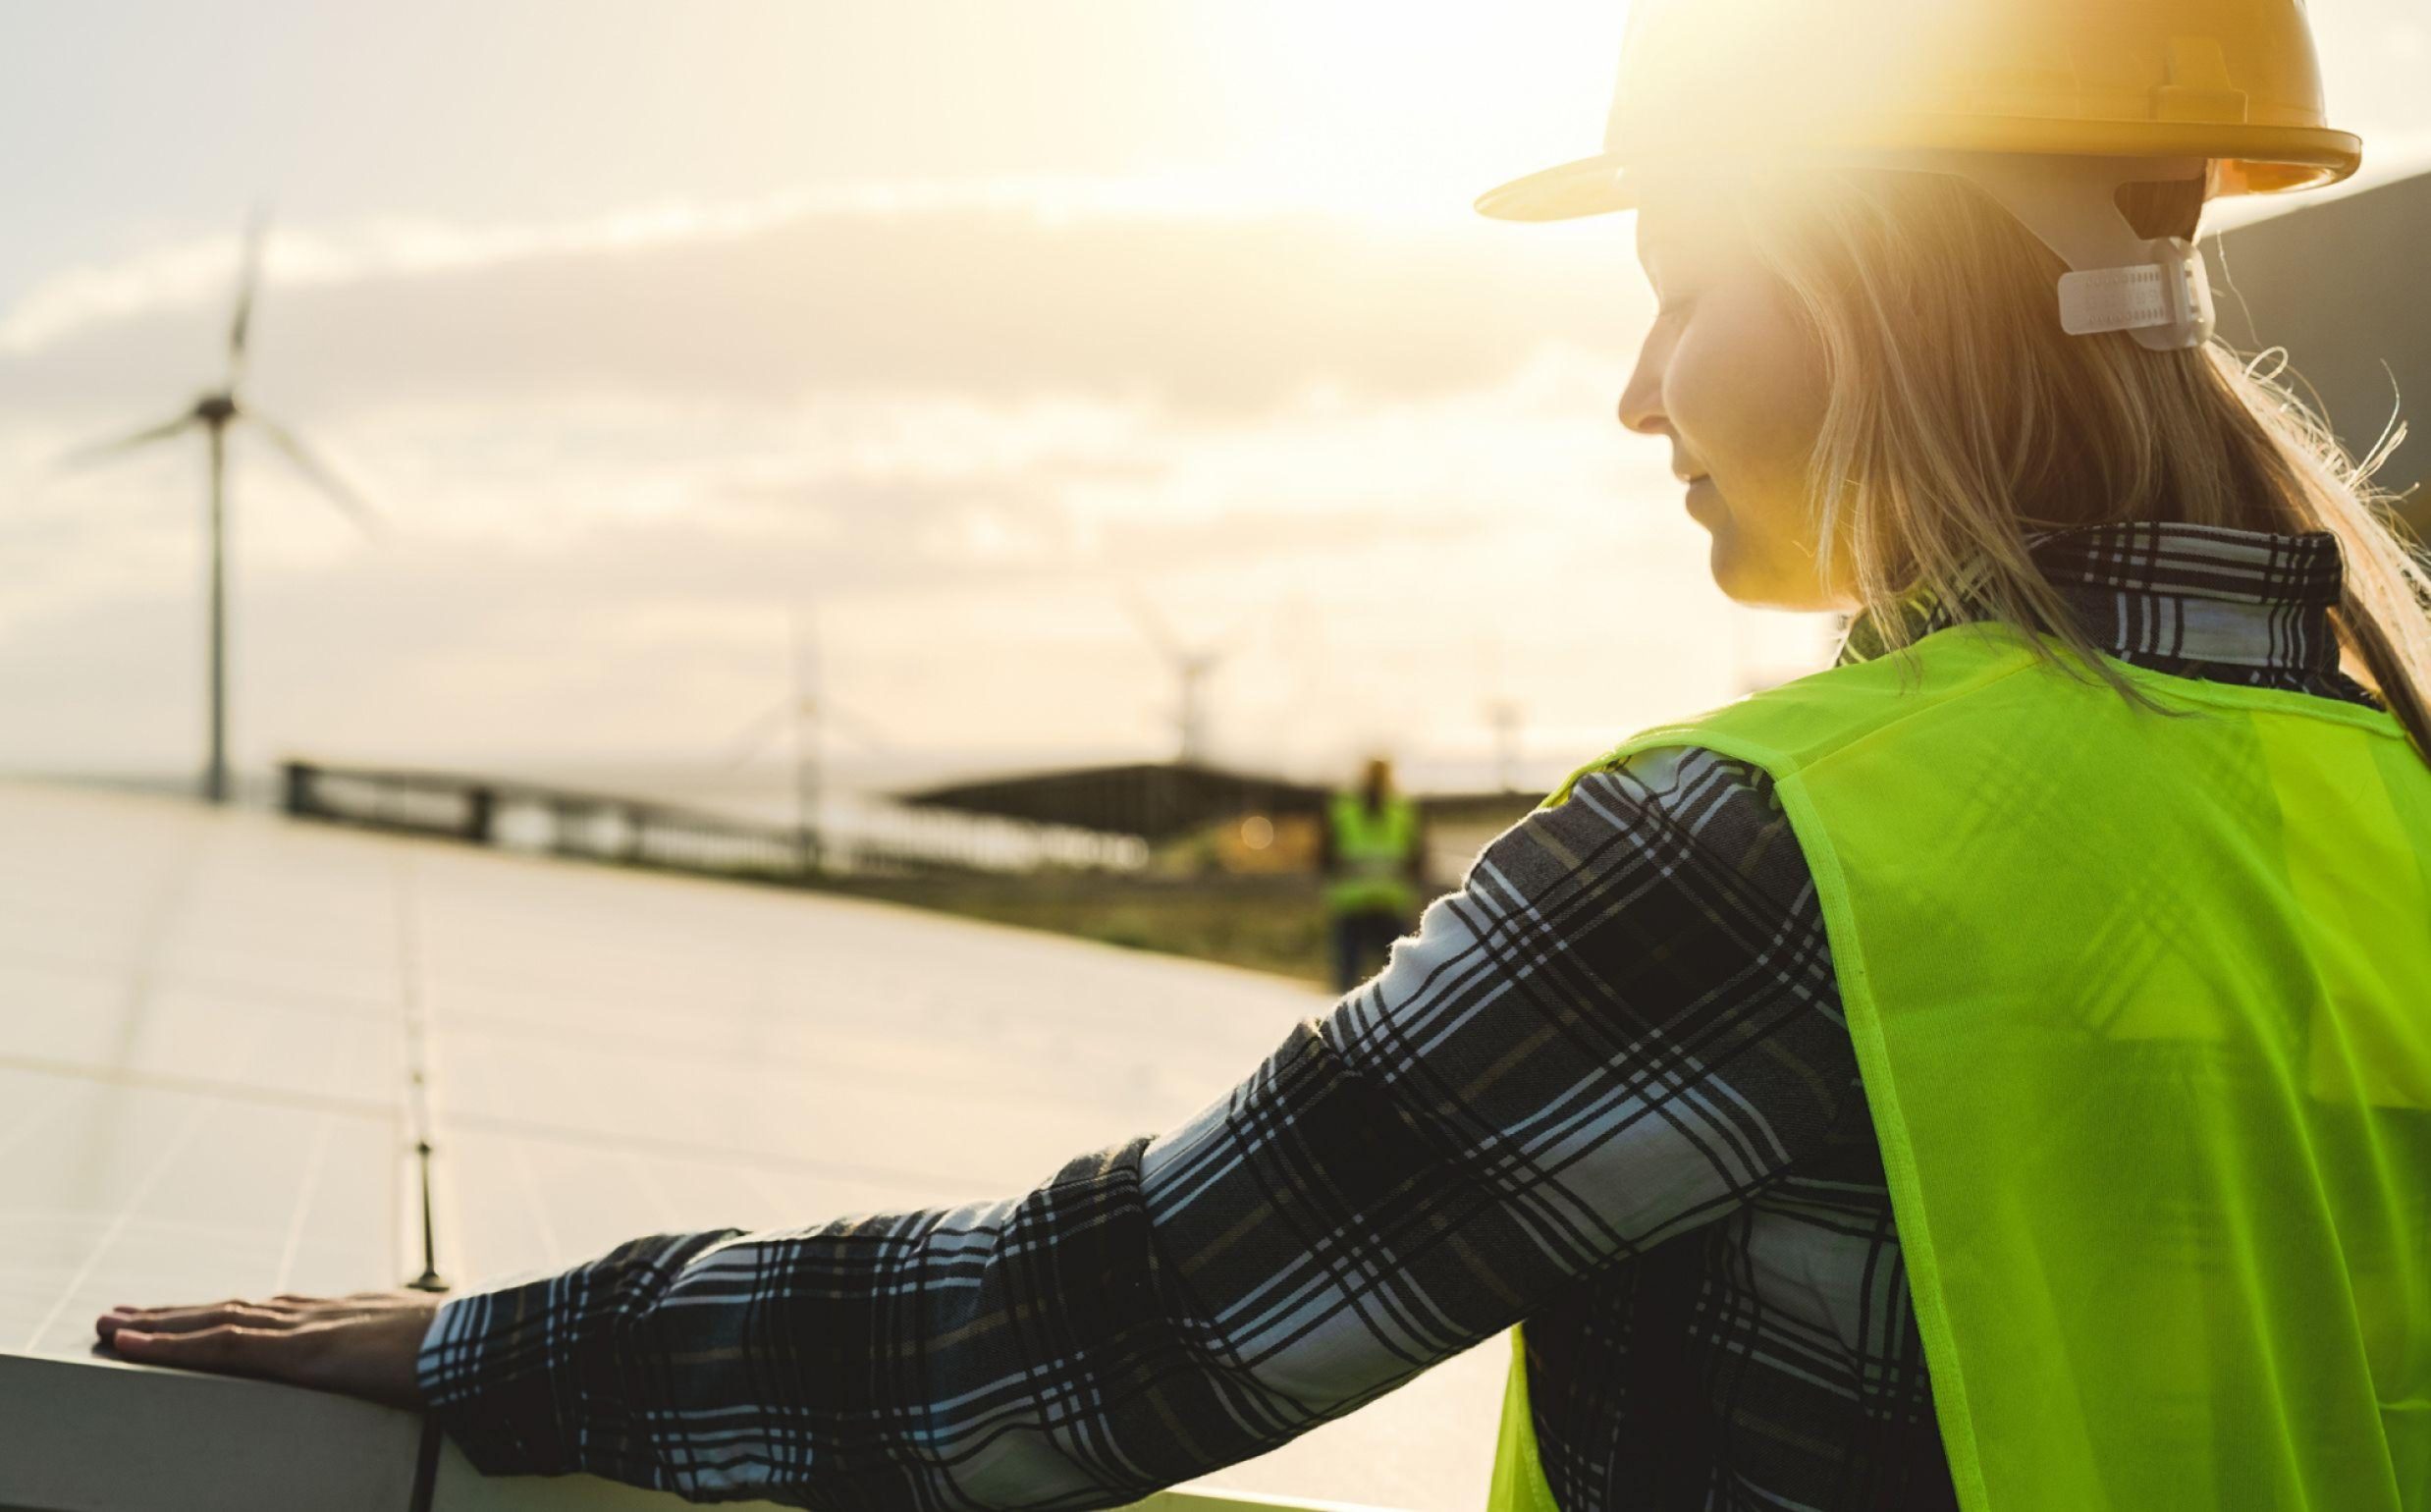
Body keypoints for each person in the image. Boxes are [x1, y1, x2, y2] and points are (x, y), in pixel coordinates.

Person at [98, 1, 2431, 1507]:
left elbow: (1100, 1329)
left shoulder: (1763, 861)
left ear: (1875, 276)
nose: (1634, 391)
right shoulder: (2374, 788)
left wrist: (498, 1336)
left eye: (1678, 284)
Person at [1320, 753, 1427, 992]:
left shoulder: (1343, 809)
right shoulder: (1402, 810)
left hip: (1355, 901)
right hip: (1384, 902)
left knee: (1349, 981)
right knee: (1396, 982)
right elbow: (1418, 859)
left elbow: (1324, 857)